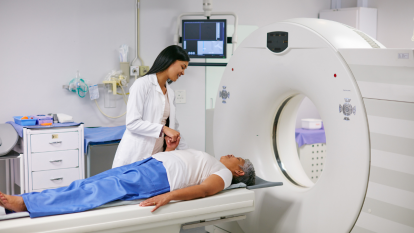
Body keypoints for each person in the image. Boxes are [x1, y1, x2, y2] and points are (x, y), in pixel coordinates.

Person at [0, 136, 255, 218]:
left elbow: (204, 191)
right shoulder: (214, 162)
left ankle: (25, 204)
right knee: (88, 183)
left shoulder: (225, 175)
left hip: (159, 178)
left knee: (95, 191)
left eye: (238, 158)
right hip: (152, 165)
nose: (232, 155)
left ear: (239, 171)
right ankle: (26, 200)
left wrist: (168, 197)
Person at [112, 45, 190, 168]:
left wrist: (188, 154)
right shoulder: (142, 85)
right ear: (170, 61)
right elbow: (132, 123)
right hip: (135, 155)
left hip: (156, 156)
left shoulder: (170, 92)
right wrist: (163, 129)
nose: (183, 73)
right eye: (182, 67)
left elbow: (174, 128)